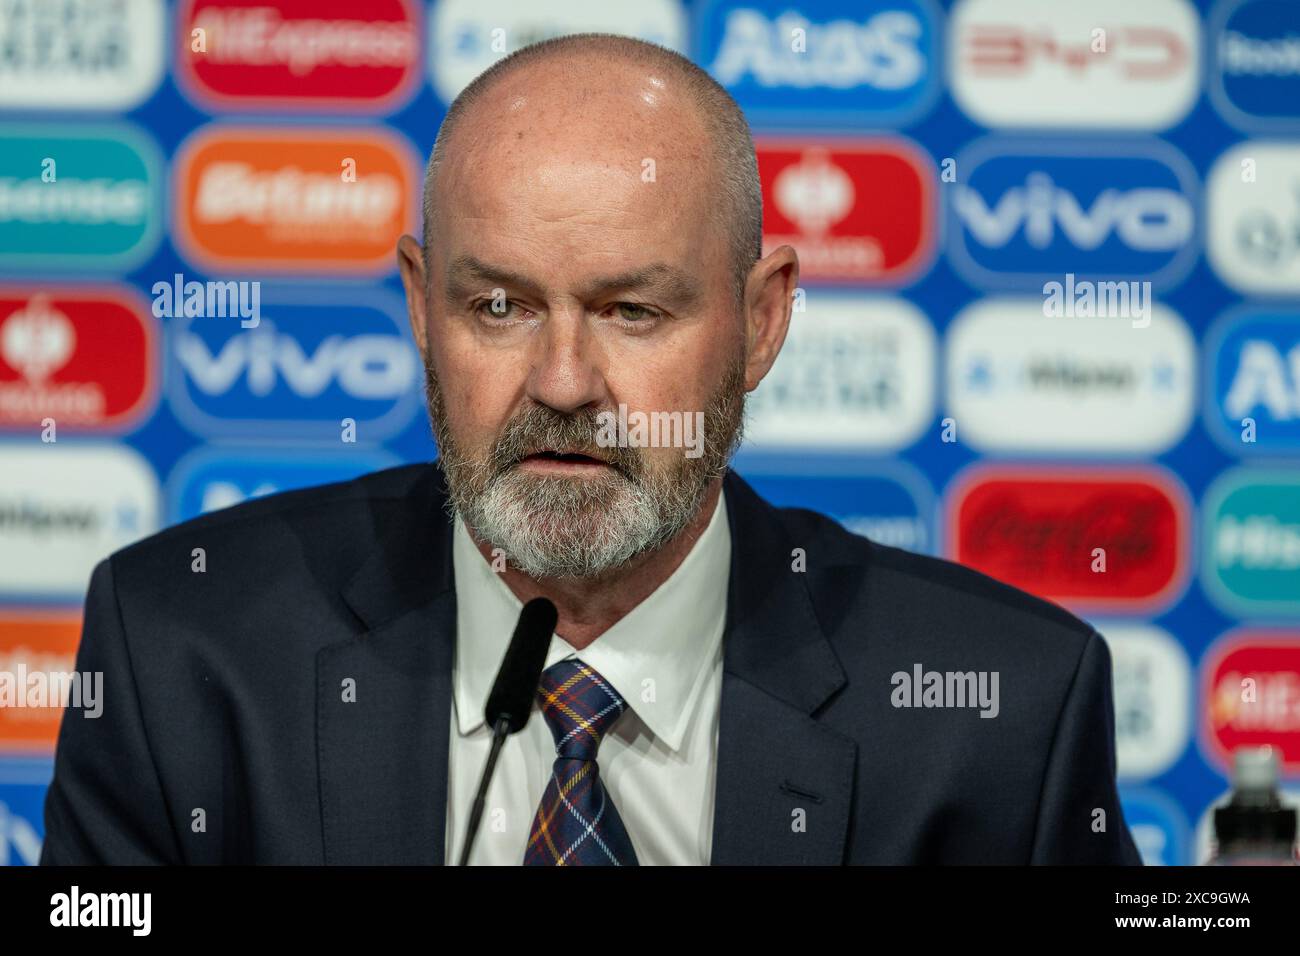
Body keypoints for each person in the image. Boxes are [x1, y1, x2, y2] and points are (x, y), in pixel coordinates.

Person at [40, 33, 1140, 866]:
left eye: (631, 312)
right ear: (423, 307)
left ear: (761, 321)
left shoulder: (1002, 711)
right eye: (500, 306)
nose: (562, 384)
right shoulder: (183, 657)